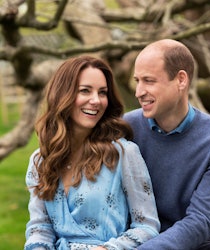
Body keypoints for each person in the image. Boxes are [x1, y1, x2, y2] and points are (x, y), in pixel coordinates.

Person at [24, 55, 160, 250]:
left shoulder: (123, 154)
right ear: (63, 95)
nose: (96, 100)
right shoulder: (40, 160)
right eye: (85, 91)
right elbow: (40, 227)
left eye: (103, 93)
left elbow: (147, 226)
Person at [124, 39, 210, 250]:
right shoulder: (125, 128)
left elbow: (200, 221)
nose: (138, 91)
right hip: (130, 237)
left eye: (149, 81)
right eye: (137, 81)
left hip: (190, 242)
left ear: (181, 80)